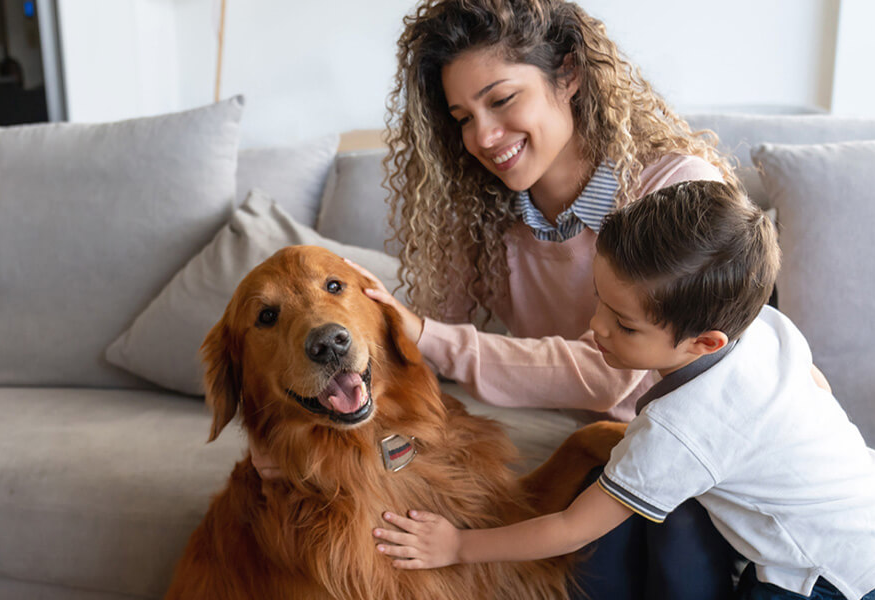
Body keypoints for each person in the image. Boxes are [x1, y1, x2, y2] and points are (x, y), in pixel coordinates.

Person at [254, 0, 825, 596]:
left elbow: (609, 379)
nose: (482, 136)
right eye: (462, 116)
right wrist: (294, 451)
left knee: (668, 527)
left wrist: (425, 335)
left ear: (570, 74)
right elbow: (411, 365)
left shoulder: (673, 192)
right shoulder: (479, 217)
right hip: (612, 456)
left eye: (501, 100)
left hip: (700, 458)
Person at [372, 180, 875, 600]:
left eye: (625, 326)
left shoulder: (678, 431)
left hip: (834, 574)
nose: (595, 329)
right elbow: (815, 385)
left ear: (704, 342)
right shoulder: (767, 328)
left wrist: (458, 546)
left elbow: (569, 527)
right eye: (599, 302)